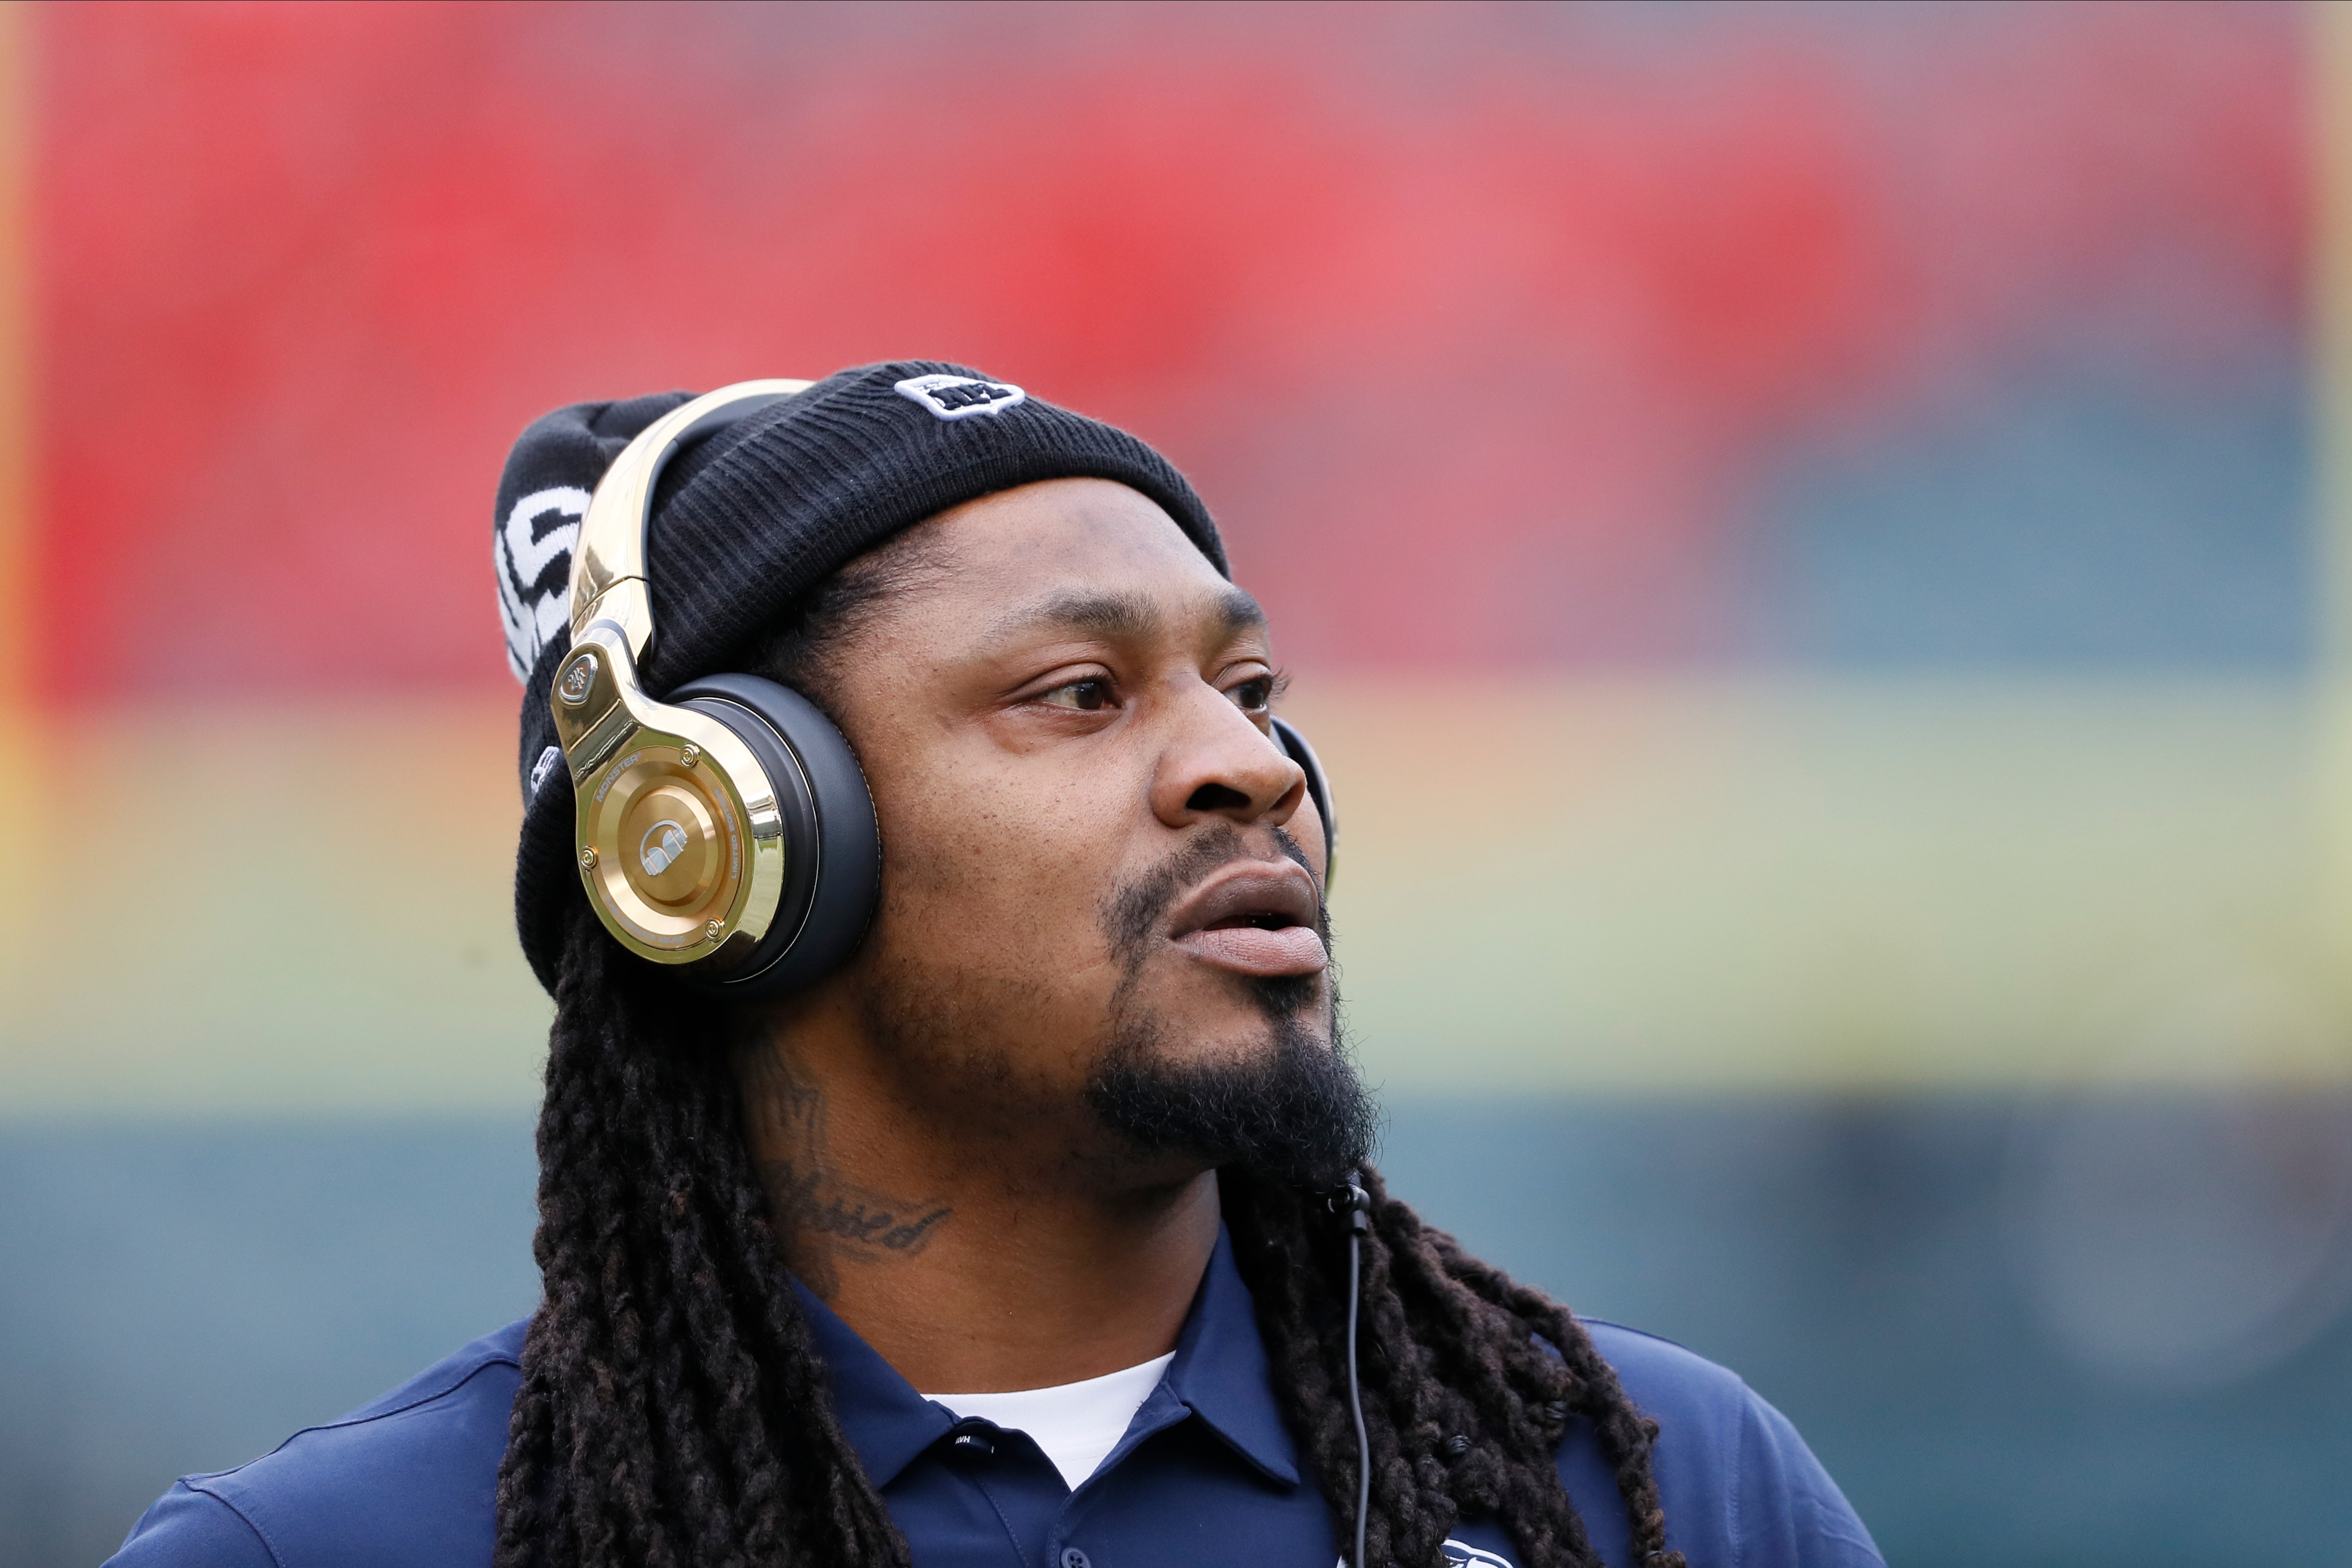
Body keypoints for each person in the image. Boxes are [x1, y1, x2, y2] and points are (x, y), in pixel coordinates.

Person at [109, 363, 1882, 1568]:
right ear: (726, 848)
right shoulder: (335, 1549)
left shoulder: (1663, 1492)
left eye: (1252, 691)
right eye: (1080, 695)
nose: (1250, 765)